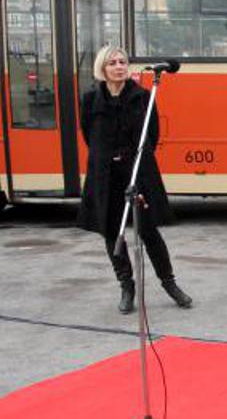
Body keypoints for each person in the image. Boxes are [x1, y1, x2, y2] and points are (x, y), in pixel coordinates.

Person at [77, 45, 192, 314]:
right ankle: (126, 286)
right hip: (105, 174)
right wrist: (108, 158)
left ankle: (169, 283)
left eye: (123, 62)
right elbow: (88, 135)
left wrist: (132, 162)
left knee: (148, 230)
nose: (119, 66)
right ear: (102, 69)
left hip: (137, 172)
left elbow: (152, 136)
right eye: (113, 63)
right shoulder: (90, 99)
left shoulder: (142, 97)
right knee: (111, 232)